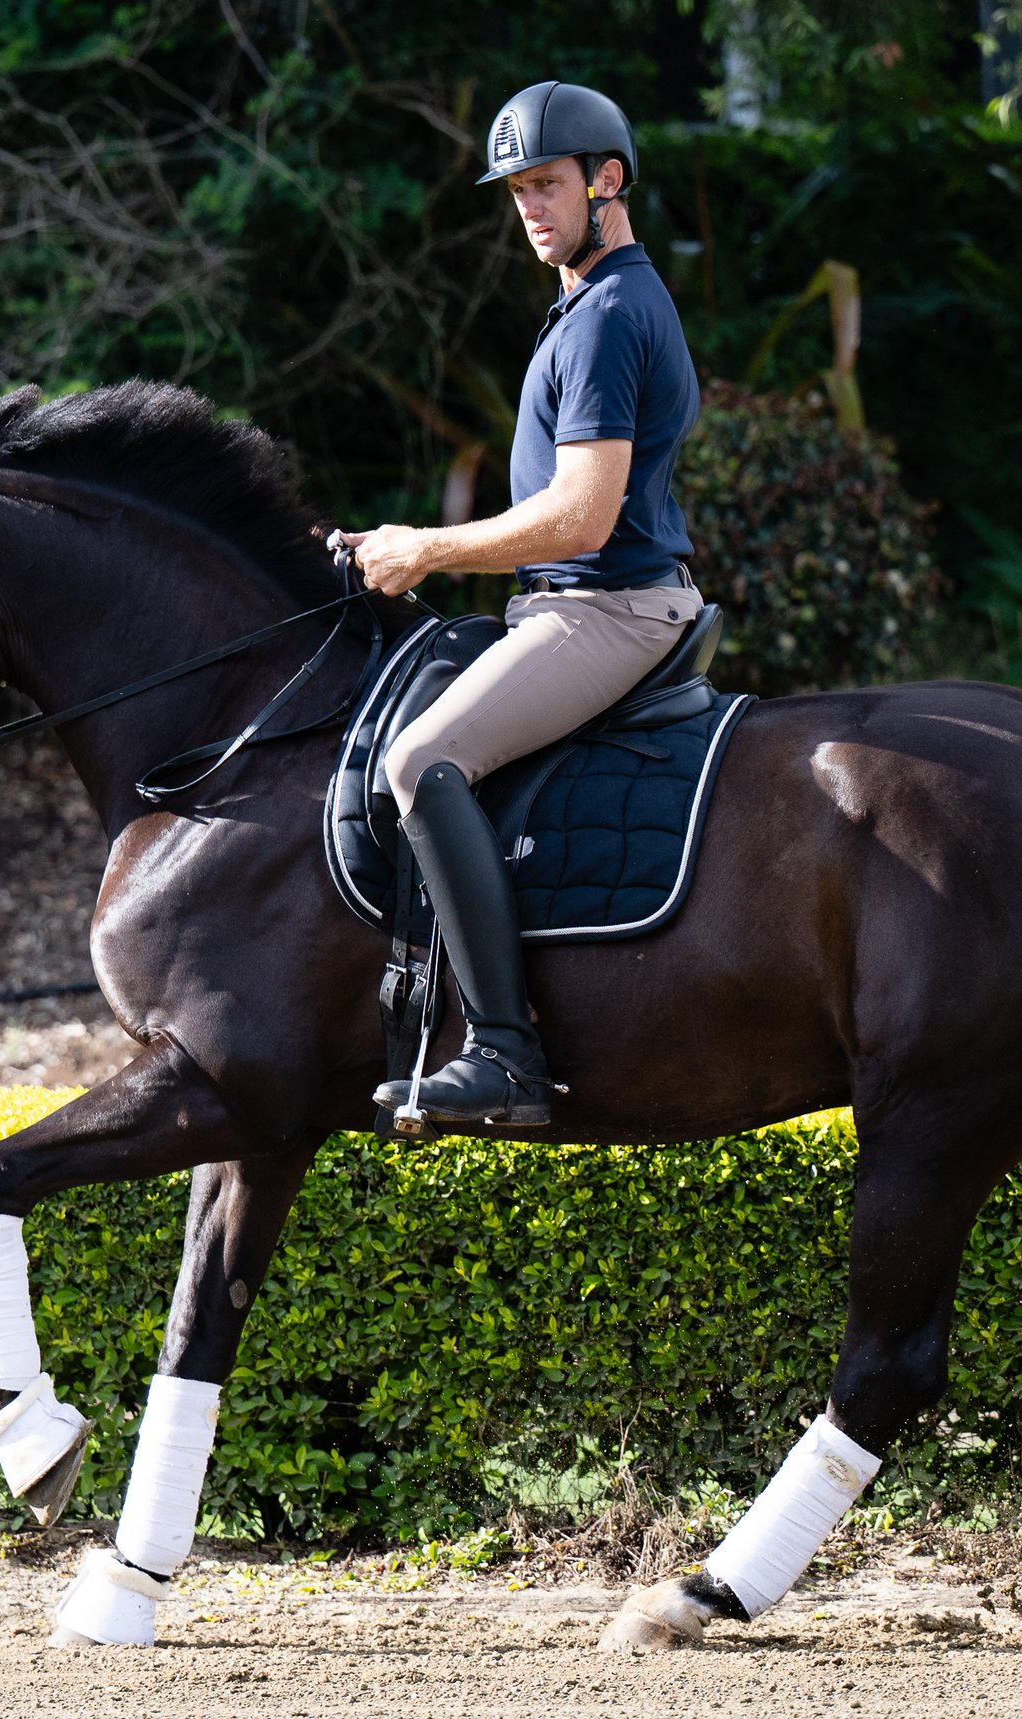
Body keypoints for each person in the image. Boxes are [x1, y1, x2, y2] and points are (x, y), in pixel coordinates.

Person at [342, 79, 702, 1128]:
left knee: (419, 762)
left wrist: (432, 549)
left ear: (607, 180)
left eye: (546, 185)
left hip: (606, 608)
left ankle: (503, 1053)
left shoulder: (609, 315)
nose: (530, 209)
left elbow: (582, 519)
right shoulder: (592, 304)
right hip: (571, 606)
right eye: (516, 193)